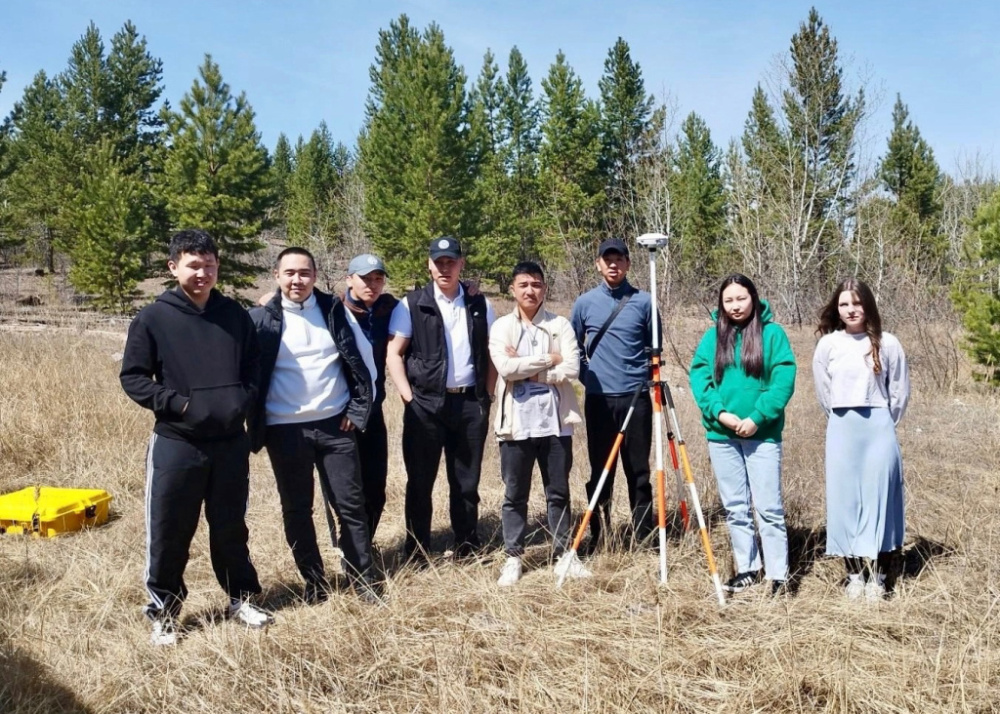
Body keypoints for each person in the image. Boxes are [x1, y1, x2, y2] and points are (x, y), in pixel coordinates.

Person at [120, 229, 272, 646]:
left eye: (209, 265)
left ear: (217, 266)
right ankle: (164, 612)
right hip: (177, 443)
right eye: (193, 264)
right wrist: (180, 405)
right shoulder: (153, 318)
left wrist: (245, 398)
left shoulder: (234, 315)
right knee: (169, 529)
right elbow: (133, 377)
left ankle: (240, 598)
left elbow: (254, 364)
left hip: (229, 443)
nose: (202, 272)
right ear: (173, 267)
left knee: (230, 527)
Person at [249, 247, 380, 604]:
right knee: (297, 509)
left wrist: (356, 410)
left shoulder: (334, 310)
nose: (297, 280)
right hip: (285, 430)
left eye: (304, 273)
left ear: (315, 276)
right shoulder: (260, 319)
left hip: (335, 427)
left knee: (351, 506)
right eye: (289, 273)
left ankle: (363, 579)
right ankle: (315, 582)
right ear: (276, 276)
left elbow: (361, 360)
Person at [386, 236, 497, 563]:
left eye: (451, 261)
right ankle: (416, 551)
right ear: (429, 264)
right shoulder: (412, 304)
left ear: (462, 264)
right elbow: (394, 353)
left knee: (466, 483)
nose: (445, 268)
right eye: (439, 262)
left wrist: (487, 396)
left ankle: (467, 547)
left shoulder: (480, 304)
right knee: (420, 483)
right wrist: (409, 398)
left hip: (469, 406)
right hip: (426, 408)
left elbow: (490, 352)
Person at [689, 274, 796, 596]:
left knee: (769, 508)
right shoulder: (712, 339)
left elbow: (783, 380)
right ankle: (748, 568)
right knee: (735, 507)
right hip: (722, 436)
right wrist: (720, 412)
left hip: (761, 436)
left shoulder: (773, 335)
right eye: (729, 300)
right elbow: (700, 379)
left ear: (754, 298)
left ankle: (778, 575)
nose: (736, 306)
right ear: (721, 304)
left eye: (741, 298)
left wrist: (757, 417)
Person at [489, 261, 592, 586]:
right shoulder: (502, 327)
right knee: (515, 494)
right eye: (523, 285)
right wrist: (550, 359)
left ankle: (564, 554)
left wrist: (528, 368)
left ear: (544, 288)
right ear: (513, 290)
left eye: (536, 284)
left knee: (558, 491)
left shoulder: (559, 324)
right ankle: (513, 558)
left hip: (555, 424)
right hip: (515, 425)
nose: (530, 290)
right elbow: (505, 368)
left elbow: (573, 368)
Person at [813, 278, 910, 601]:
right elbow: (823, 391)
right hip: (842, 428)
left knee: (881, 499)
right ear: (836, 309)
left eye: (857, 303)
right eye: (844, 304)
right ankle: (854, 574)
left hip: (879, 428)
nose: (851, 310)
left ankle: (880, 577)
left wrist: (882, 423)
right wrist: (844, 420)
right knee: (845, 502)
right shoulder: (829, 345)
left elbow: (898, 392)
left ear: (868, 305)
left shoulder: (889, 343)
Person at [569, 237, 656, 552]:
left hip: (636, 399)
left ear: (628, 264)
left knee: (639, 472)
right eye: (608, 259)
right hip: (600, 400)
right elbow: (572, 346)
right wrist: (587, 377)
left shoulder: (645, 301)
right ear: (598, 263)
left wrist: (644, 380)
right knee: (601, 470)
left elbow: (653, 348)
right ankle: (600, 536)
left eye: (619, 259)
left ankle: (644, 538)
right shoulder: (584, 303)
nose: (613, 265)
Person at [342, 253, 398, 542]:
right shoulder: (333, 312)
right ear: (349, 278)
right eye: (365, 278)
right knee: (348, 490)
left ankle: (364, 543)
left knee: (375, 489)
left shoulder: (388, 309)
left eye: (378, 279)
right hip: (342, 416)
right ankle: (350, 549)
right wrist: (271, 297)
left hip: (373, 413)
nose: (372, 285)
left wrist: (470, 290)